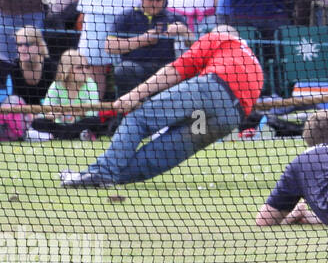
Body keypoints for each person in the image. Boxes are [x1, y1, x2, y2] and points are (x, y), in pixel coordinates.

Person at [60, 26, 263, 187]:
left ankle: (101, 172)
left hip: (211, 90)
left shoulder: (220, 38)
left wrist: (133, 95)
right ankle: (95, 178)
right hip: (228, 119)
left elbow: (176, 70)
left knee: (138, 117)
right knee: (163, 153)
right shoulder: (255, 66)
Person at [105, 0, 193, 94]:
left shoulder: (175, 18)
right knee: (123, 70)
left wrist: (184, 31)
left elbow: (194, 47)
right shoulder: (126, 17)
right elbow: (109, 46)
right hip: (135, 66)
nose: (155, 3)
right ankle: (131, 109)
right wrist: (142, 40)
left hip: (165, 70)